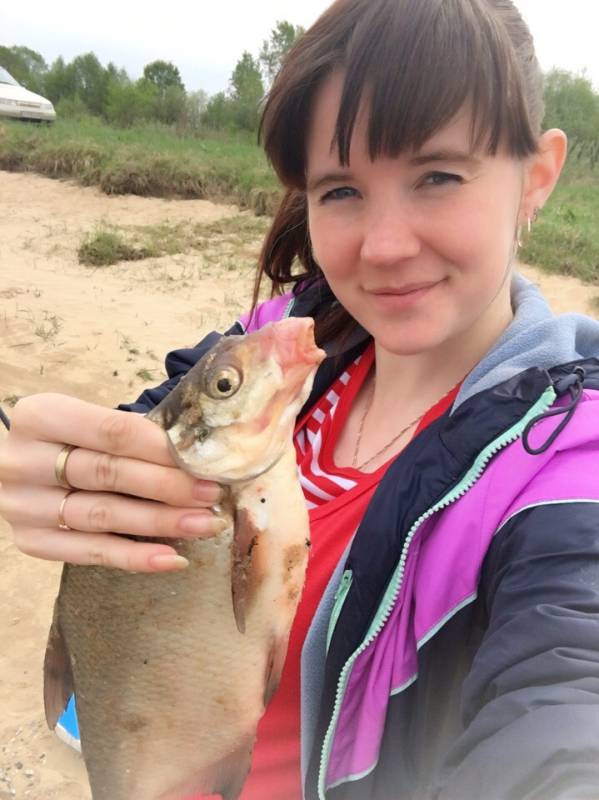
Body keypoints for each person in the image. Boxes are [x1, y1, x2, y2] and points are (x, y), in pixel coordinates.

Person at [2, 0, 599, 797]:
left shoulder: (565, 466)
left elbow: (562, 704)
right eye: (341, 190)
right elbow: (141, 424)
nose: (383, 247)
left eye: (437, 176)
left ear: (535, 178)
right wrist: (69, 470)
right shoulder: (291, 340)